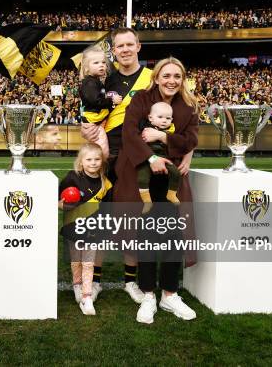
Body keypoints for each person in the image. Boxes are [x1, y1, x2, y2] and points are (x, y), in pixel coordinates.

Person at [114, 57, 198, 324]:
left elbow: (191, 139)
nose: (171, 80)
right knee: (145, 236)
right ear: (157, 77)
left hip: (171, 181)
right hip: (142, 179)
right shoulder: (140, 99)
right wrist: (151, 158)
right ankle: (149, 294)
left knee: (174, 236)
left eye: (177, 76)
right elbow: (129, 132)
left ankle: (170, 295)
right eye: (166, 75)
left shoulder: (189, 104)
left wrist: (164, 138)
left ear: (182, 78)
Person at [81, 28, 154, 304]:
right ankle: (95, 281)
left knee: (131, 220)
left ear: (138, 46)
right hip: (105, 155)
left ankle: (130, 282)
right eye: (119, 46)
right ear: (113, 50)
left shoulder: (150, 78)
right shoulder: (103, 78)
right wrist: (84, 127)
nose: (124, 49)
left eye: (128, 44)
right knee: (99, 219)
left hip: (135, 155)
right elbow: (87, 112)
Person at [59, 143, 112, 316]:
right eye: (89, 159)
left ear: (102, 161)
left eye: (97, 159)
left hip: (93, 230)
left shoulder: (106, 183)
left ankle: (87, 296)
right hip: (73, 228)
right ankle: (77, 285)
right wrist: (63, 204)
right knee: (76, 261)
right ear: (81, 162)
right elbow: (58, 200)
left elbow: (108, 207)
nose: (93, 163)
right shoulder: (71, 178)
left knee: (88, 263)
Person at [136, 101, 181, 213]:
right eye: (160, 117)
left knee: (175, 172)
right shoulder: (146, 127)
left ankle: (171, 194)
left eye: (168, 118)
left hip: (163, 157)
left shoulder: (171, 130)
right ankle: (147, 201)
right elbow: (138, 141)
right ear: (150, 118)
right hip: (147, 158)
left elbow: (177, 142)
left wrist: (163, 136)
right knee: (142, 178)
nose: (164, 120)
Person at [79, 45, 122, 160]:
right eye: (96, 63)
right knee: (101, 150)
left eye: (103, 62)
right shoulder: (89, 83)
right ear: (87, 68)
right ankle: (98, 165)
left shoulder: (95, 81)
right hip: (95, 123)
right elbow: (96, 101)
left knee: (97, 148)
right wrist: (112, 100)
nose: (101, 65)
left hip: (98, 121)